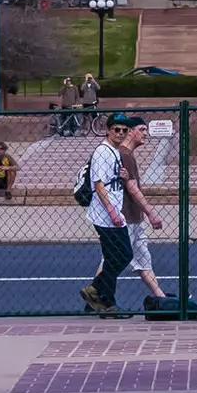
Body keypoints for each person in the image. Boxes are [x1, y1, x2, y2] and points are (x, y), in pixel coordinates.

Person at [80, 113, 132, 315]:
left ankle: (97, 296)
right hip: (106, 214)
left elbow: (110, 179)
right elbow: (98, 184)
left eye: (124, 130)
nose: (120, 133)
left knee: (115, 257)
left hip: (112, 212)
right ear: (108, 130)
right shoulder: (103, 151)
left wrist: (123, 176)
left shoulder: (114, 151)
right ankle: (104, 299)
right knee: (122, 255)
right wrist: (112, 211)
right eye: (116, 129)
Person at [117, 117, 168, 302]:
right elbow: (132, 187)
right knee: (112, 260)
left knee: (143, 260)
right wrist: (151, 212)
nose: (145, 133)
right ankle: (98, 296)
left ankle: (161, 298)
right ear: (130, 132)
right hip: (126, 218)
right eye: (141, 129)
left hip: (135, 218)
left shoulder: (128, 155)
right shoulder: (124, 155)